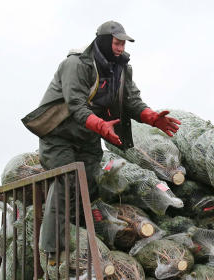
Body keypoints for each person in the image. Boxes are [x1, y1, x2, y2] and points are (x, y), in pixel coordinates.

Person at [22, 20, 180, 256]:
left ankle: (81, 242)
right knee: (66, 180)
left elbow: (131, 101)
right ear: (104, 42)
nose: (120, 48)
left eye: (123, 44)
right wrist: (100, 125)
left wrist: (151, 117)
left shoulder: (122, 69)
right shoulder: (75, 64)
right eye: (117, 43)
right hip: (59, 135)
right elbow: (75, 104)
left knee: (89, 185)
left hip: (88, 136)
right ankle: (52, 248)